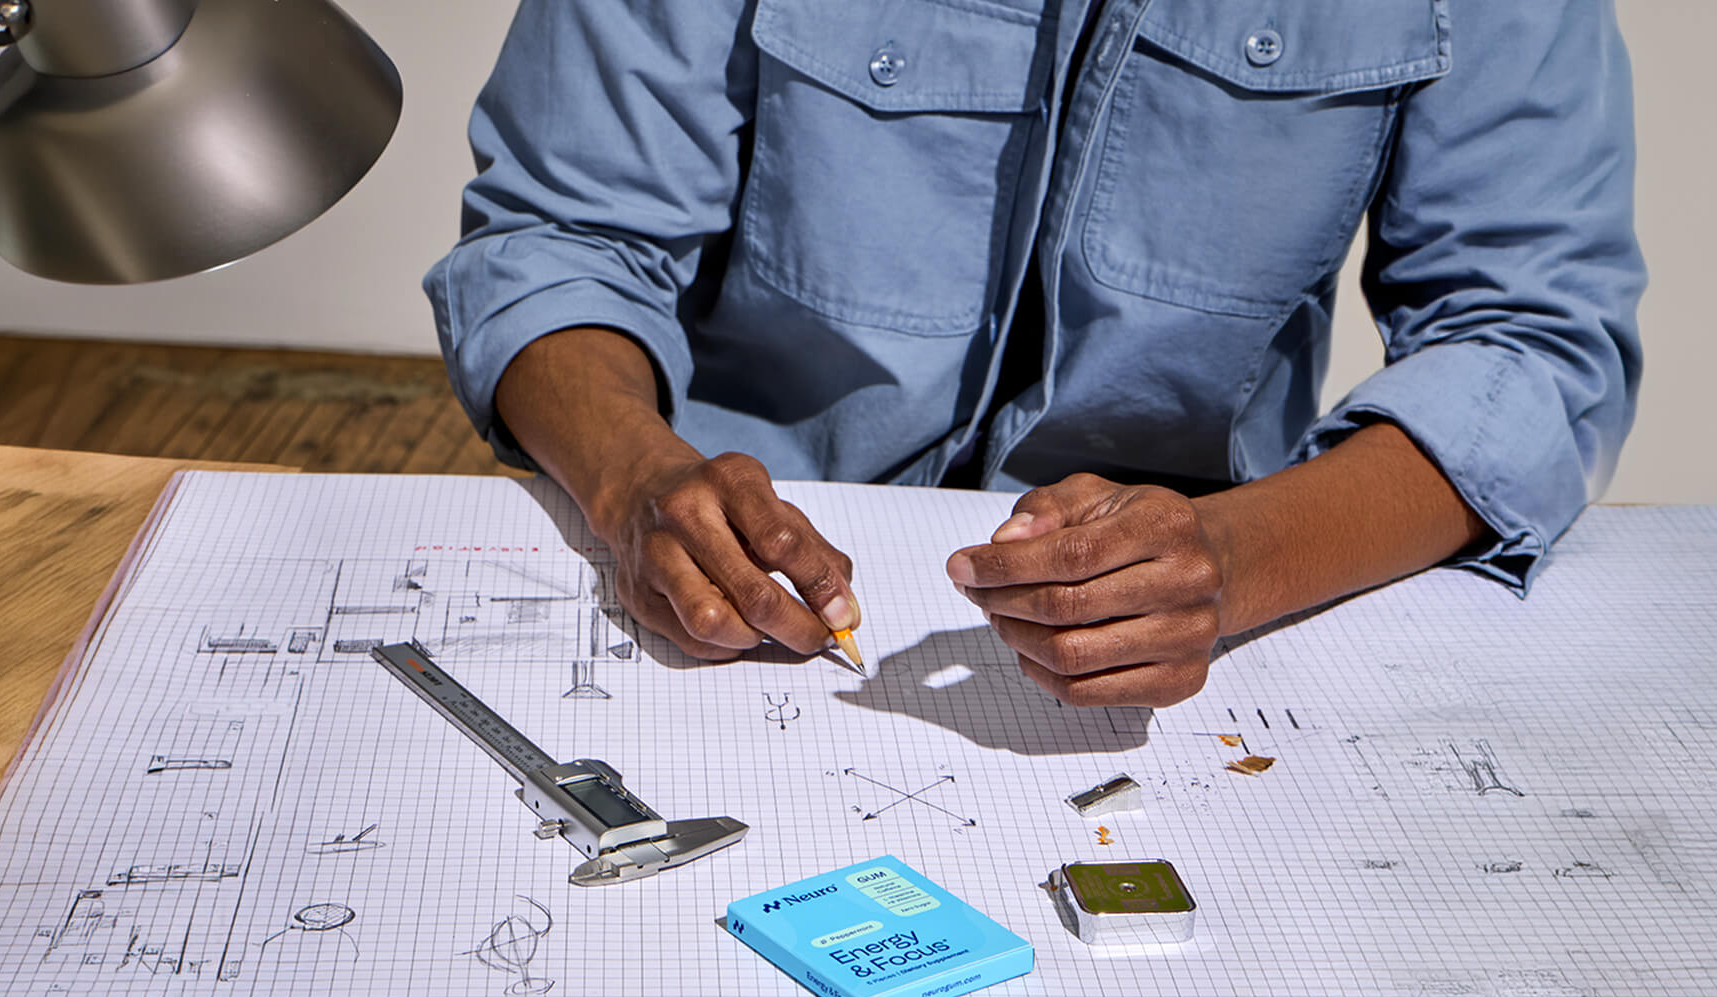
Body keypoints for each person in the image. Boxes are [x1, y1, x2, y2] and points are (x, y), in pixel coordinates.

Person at [425, 0, 1643, 708]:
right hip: (733, 582)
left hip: (1207, 610)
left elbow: (1532, 346)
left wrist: (1233, 560)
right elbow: (559, 237)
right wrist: (635, 476)